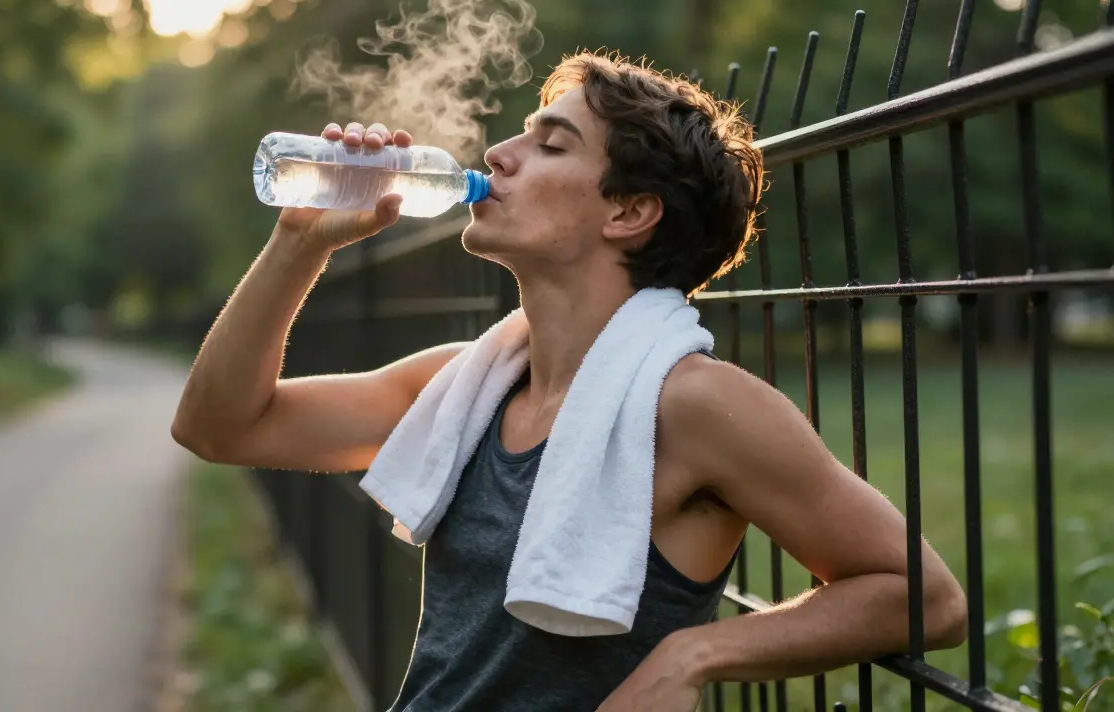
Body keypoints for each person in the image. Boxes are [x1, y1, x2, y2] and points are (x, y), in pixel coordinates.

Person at [172, 52, 968, 711]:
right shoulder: (463, 388)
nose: (497, 156)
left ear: (627, 213)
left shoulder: (692, 406)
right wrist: (300, 241)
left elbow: (927, 596)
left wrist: (693, 655)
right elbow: (220, 428)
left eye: (551, 145)